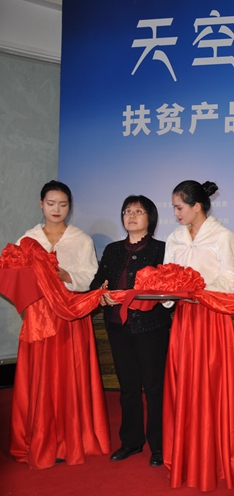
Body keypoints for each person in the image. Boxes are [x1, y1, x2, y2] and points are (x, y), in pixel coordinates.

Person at [162, 180, 234, 490]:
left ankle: (217, 456)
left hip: (211, 318)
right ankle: (187, 455)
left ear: (197, 206)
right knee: (185, 385)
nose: (175, 213)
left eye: (179, 207)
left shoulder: (223, 236)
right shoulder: (174, 238)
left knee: (213, 385)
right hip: (184, 320)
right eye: (174, 208)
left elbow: (232, 281)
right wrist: (169, 291)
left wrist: (198, 290)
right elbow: (166, 277)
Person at [11, 180, 110, 468]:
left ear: (70, 206)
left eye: (63, 204)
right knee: (40, 380)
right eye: (51, 203)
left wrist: (65, 276)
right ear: (41, 204)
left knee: (69, 379)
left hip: (70, 316)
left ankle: (71, 440)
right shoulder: (27, 240)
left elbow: (90, 278)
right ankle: (40, 438)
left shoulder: (81, 239)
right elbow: (16, 279)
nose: (57, 209)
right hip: (39, 319)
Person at [90, 195, 172, 467]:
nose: (132, 216)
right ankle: (131, 441)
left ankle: (159, 446)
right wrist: (101, 295)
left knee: (155, 387)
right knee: (128, 388)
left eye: (138, 211)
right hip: (118, 327)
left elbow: (167, 289)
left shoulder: (162, 249)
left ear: (151, 217)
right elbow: (96, 284)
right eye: (127, 211)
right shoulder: (113, 250)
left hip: (151, 327)